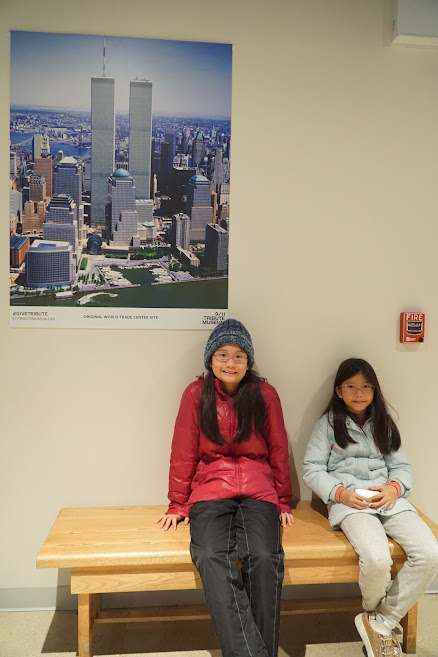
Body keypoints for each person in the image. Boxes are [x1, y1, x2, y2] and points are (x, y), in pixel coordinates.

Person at [156, 318, 293, 657]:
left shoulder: (265, 395)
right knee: (210, 555)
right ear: (210, 359)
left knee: (265, 557)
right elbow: (183, 450)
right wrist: (177, 503)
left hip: (259, 489)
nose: (230, 363)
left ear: (248, 361)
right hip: (210, 488)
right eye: (223, 354)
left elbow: (278, 448)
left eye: (238, 356)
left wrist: (283, 500)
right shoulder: (194, 394)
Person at [303, 358, 438, 657]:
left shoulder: (383, 423)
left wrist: (394, 488)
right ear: (339, 390)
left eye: (366, 386)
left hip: (389, 500)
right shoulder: (327, 424)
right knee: (377, 560)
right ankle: (379, 625)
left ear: (375, 390)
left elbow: (402, 468)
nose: (359, 392)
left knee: (430, 553)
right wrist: (340, 494)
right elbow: (312, 470)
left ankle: (380, 622)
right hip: (351, 504)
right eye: (351, 386)